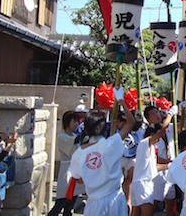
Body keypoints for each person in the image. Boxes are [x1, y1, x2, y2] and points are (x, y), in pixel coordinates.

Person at [68, 86, 135, 216]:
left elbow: (80, 179)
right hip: (115, 200)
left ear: (85, 129)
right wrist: (121, 101)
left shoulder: (78, 153)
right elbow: (130, 122)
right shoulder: (112, 143)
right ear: (104, 127)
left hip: (94, 203)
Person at [131, 105, 177, 216]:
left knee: (137, 212)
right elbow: (162, 132)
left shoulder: (149, 146)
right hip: (145, 182)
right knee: (148, 210)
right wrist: (170, 113)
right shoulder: (145, 143)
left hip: (145, 181)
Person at [48, 111, 81, 216]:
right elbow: (71, 144)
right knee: (60, 203)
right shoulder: (61, 136)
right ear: (68, 121)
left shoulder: (75, 135)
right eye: (74, 121)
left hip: (75, 172)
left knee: (70, 206)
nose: (76, 123)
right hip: (66, 171)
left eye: (77, 121)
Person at [117, 110, 145, 210]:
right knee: (124, 181)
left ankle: (127, 202)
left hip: (131, 158)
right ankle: (125, 202)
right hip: (123, 158)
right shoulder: (122, 130)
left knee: (128, 181)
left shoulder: (140, 132)